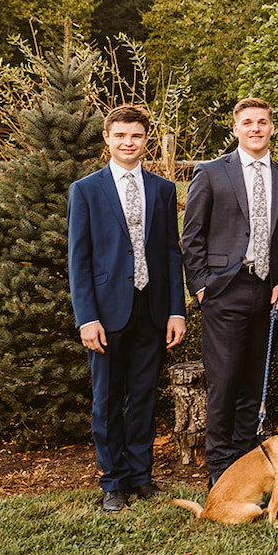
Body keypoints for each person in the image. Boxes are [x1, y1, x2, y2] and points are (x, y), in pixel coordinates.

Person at [181, 97, 278, 486]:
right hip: (224, 291)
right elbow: (192, 236)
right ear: (235, 129)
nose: (256, 128)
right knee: (225, 382)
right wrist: (202, 286)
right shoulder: (212, 172)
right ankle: (220, 470)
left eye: (263, 122)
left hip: (267, 292)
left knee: (254, 383)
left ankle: (243, 464)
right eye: (248, 122)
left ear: (272, 128)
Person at [68, 105, 186, 512]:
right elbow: (78, 260)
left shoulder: (163, 189)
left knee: (143, 397)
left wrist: (176, 310)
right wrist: (86, 317)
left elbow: (172, 253)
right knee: (106, 399)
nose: (128, 142)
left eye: (135, 136)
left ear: (145, 140)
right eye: (120, 136)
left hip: (152, 308)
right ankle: (113, 481)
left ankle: (140, 475)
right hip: (106, 311)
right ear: (107, 139)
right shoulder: (86, 190)